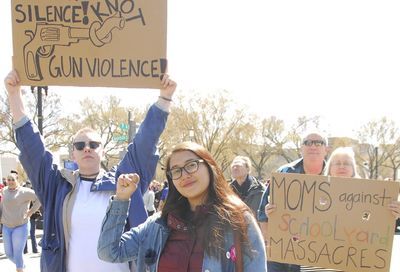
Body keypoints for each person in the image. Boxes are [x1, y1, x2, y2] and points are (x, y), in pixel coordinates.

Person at [5, 69, 176, 272]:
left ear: (102, 152)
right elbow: (32, 149)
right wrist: (14, 95)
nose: (87, 148)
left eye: (94, 144)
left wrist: (165, 98)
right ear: (73, 154)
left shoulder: (125, 181)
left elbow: (145, 143)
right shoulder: (56, 186)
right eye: (80, 145)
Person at [97, 142, 267, 271]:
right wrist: (121, 199)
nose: (184, 175)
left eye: (191, 165)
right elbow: (109, 251)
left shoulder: (239, 220)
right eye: (176, 171)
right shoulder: (159, 224)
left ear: (210, 167)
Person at [258, 131, 329, 272]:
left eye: (318, 143)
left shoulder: (335, 176)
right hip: (282, 256)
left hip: (319, 257)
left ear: (326, 149)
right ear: (301, 148)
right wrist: (270, 245)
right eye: (308, 143)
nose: (313, 146)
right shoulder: (284, 174)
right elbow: (262, 214)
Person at [0, 172, 41, 272]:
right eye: (8, 180)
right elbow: (2, 205)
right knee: (9, 254)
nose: (10, 182)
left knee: (18, 253)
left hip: (20, 226)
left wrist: (31, 211)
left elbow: (39, 199)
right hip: (6, 226)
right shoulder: (4, 191)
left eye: (13, 179)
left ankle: (20, 268)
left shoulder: (25, 191)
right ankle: (21, 265)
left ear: (17, 180)